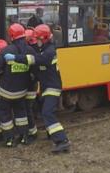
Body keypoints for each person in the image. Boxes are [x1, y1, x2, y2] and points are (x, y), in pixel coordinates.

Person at [5, 24, 70, 153]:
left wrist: (16, 58)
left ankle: (62, 140)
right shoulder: (44, 49)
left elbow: (35, 60)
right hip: (47, 87)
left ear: (44, 38)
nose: (36, 42)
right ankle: (52, 134)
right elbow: (36, 67)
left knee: (47, 112)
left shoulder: (49, 52)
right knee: (44, 110)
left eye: (38, 39)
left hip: (53, 87)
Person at [0, 23, 34, 147]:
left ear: (11, 37)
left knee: (5, 114)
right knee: (21, 114)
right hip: (22, 91)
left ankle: (9, 140)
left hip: (6, 92)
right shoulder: (30, 50)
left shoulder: (6, 51)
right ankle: (24, 137)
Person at [24, 28, 38, 140]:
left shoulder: (29, 51)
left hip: (30, 84)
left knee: (27, 108)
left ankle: (32, 132)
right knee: (30, 107)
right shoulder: (36, 49)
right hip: (32, 84)